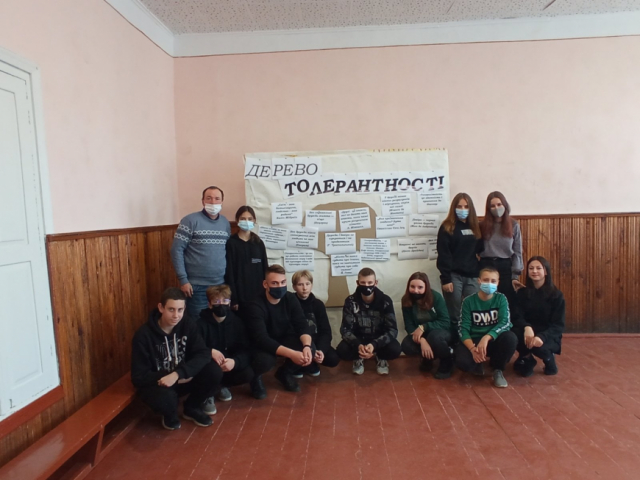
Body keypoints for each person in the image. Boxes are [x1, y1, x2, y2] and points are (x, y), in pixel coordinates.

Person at [131, 288, 220, 430]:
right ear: (161, 308)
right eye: (171, 309)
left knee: (214, 371)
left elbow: (203, 353)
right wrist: (169, 376)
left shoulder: (188, 324)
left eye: (180, 310)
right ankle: (169, 415)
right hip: (160, 383)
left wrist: (179, 374)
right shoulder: (143, 335)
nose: (176, 315)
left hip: (183, 377)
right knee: (165, 399)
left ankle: (192, 407)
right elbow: (138, 377)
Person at [244, 265, 315, 397]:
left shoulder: (290, 298)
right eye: (275, 283)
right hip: (261, 344)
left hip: (283, 337)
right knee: (265, 361)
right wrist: (292, 354)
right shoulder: (255, 305)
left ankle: (284, 373)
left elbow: (302, 324)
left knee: (310, 348)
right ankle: (255, 378)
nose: (280, 286)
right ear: (265, 284)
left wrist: (306, 346)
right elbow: (261, 339)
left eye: (283, 282)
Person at [171, 186, 231, 319]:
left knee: (217, 322)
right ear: (203, 201)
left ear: (222, 201)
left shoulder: (225, 223)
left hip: (220, 285)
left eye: (217, 198)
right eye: (209, 198)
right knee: (198, 323)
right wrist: (183, 280)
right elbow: (176, 250)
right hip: (196, 287)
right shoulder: (190, 221)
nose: (213, 202)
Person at [197, 285, 256, 414]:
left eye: (225, 301)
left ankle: (222, 386)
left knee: (248, 373)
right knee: (212, 371)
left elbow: (245, 349)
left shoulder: (237, 322)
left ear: (229, 303)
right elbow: (195, 348)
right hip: (209, 365)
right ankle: (208, 394)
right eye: (216, 301)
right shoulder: (200, 324)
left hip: (228, 363)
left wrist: (235, 361)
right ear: (210, 304)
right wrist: (210, 352)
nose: (221, 304)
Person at [455, 267, 517, 388]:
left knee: (510, 338)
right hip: (474, 340)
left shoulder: (501, 298)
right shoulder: (468, 301)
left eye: (493, 281)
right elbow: (463, 329)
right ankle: (477, 362)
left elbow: (505, 323)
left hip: (493, 339)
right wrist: (472, 349)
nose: (489, 284)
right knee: (463, 363)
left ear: (498, 282)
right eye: (486, 280)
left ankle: (498, 369)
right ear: (479, 281)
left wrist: (487, 337)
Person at [337, 268, 401, 375]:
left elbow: (392, 330)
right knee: (342, 350)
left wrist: (375, 344)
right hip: (359, 339)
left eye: (370, 282)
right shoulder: (350, 301)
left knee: (395, 349)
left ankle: (381, 357)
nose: (366, 286)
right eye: (363, 283)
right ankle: (359, 357)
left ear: (376, 283)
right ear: (357, 283)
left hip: (378, 339)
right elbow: (345, 329)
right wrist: (358, 345)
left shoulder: (386, 301)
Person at [512, 256, 565, 376]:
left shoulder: (556, 295)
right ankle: (527, 357)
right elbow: (517, 316)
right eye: (531, 268)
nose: (534, 271)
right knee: (512, 334)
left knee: (540, 348)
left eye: (538, 268)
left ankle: (548, 358)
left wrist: (542, 337)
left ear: (545, 271)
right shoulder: (522, 293)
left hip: (547, 334)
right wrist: (526, 327)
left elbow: (558, 325)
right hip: (528, 332)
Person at [437, 192, 483, 328]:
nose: (463, 209)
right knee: (455, 313)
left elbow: (480, 249)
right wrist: (446, 278)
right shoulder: (447, 227)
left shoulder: (476, 227)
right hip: (453, 276)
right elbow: (443, 253)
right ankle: (455, 339)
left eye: (466, 207)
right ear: (454, 208)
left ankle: (470, 338)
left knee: (472, 311)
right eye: (459, 206)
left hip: (473, 276)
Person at [400, 272, 455, 379]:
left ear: (426, 287)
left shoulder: (436, 297)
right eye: (412, 287)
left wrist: (424, 327)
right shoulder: (406, 300)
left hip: (441, 331)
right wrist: (422, 341)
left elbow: (445, 321)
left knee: (434, 337)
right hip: (422, 335)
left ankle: (447, 362)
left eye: (420, 287)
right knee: (407, 345)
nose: (416, 290)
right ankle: (427, 357)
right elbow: (409, 325)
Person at [291, 270, 340, 377]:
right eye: (300, 284)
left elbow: (326, 331)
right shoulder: (290, 303)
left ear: (311, 285)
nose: (304, 288)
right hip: (298, 343)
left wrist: (321, 350)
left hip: (316, 342)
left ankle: (311, 363)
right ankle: (298, 366)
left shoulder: (318, 304)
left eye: (307, 284)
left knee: (333, 359)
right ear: (294, 287)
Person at [478, 191, 523, 303]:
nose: (496, 208)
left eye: (499, 204)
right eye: (492, 206)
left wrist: (515, 275)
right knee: (487, 299)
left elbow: (517, 251)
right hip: (486, 264)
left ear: (505, 205)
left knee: (506, 300)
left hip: (505, 265)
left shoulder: (513, 225)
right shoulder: (482, 225)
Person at [225, 206, 269, 315]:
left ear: (254, 220)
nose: (246, 221)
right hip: (239, 297)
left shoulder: (258, 243)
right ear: (237, 220)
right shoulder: (231, 243)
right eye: (243, 218)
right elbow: (229, 273)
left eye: (250, 219)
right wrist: (233, 298)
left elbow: (265, 269)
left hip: (258, 296)